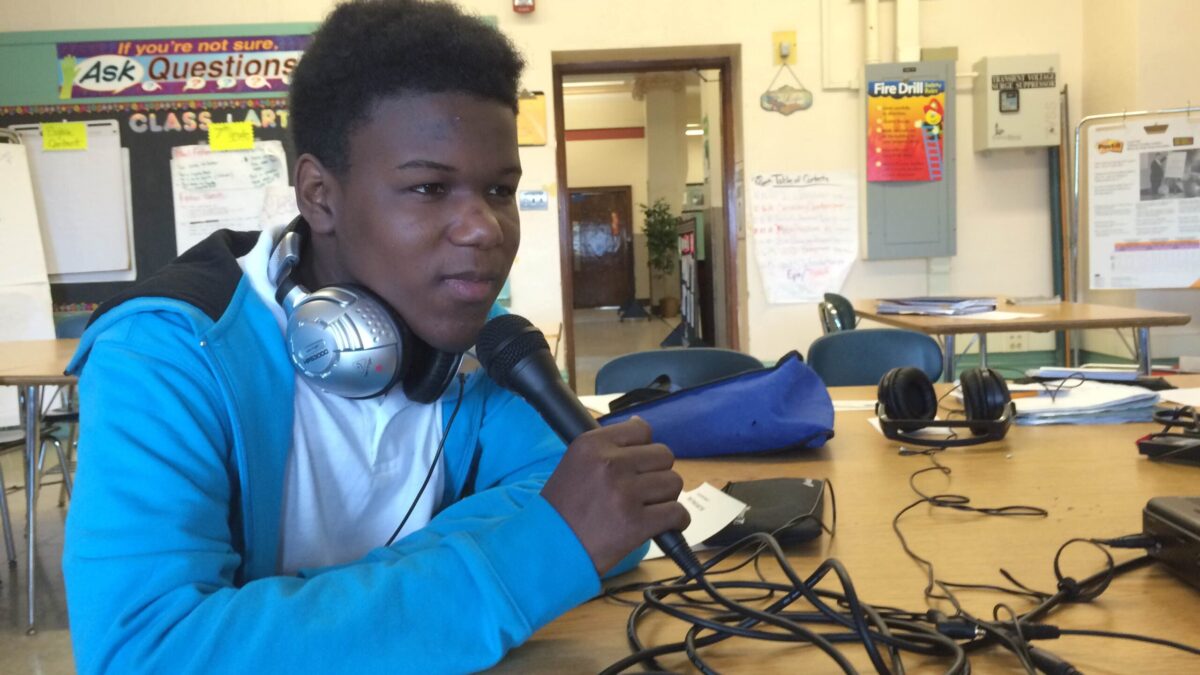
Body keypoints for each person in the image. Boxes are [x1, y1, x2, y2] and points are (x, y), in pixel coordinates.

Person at [62, 1, 688, 672]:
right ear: (319, 195)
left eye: (500, 189)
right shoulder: (166, 354)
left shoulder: (466, 343)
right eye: (427, 187)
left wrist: (310, 616)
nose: (485, 228)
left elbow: (604, 517)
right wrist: (526, 559)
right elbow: (145, 652)